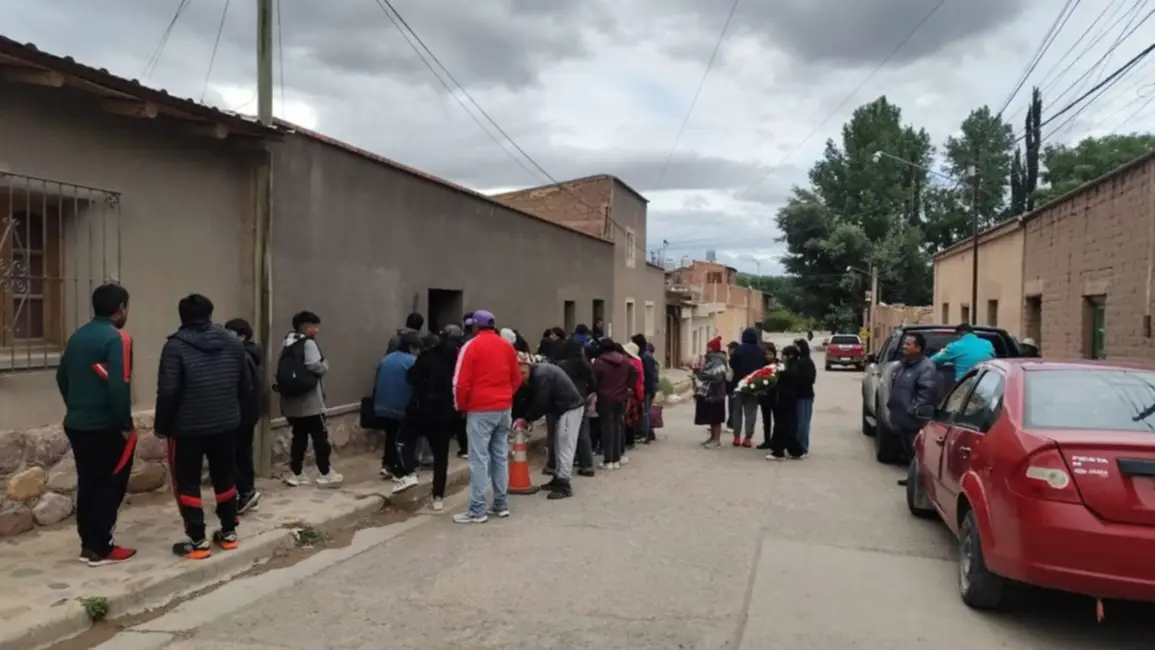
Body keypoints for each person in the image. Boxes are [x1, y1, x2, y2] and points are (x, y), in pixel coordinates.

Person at [155, 294, 250, 559]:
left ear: (182, 316)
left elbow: (168, 391)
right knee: (225, 476)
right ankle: (229, 532)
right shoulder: (233, 343)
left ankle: (198, 541)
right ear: (210, 313)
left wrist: (162, 426)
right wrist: (237, 416)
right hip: (226, 424)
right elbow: (245, 385)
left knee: (186, 481)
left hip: (187, 428)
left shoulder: (175, 347)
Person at [56, 283, 138, 566]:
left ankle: (88, 544)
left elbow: (61, 377)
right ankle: (102, 546)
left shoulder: (77, 337)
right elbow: (119, 385)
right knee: (109, 484)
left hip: (77, 423)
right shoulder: (118, 339)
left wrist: (76, 406)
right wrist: (125, 424)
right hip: (106, 426)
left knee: (88, 483)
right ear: (121, 308)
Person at [452, 310, 521, 524]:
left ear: (475, 327)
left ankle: (477, 509)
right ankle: (501, 504)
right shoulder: (506, 346)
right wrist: (506, 395)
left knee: (479, 459)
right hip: (503, 407)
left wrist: (462, 406)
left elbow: (460, 383)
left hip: (480, 408)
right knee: (500, 456)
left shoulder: (471, 346)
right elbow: (517, 378)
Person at [278, 311, 342, 486]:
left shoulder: (287, 343)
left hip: (291, 402)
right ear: (306, 327)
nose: (317, 330)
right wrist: (325, 364)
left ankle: (296, 473)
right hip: (310, 403)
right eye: (315, 327)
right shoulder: (308, 343)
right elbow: (315, 366)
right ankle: (325, 473)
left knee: (299, 437)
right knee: (320, 438)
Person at [513, 352, 585, 500]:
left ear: (529, 367)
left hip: (569, 407)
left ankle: (564, 484)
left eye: (523, 372)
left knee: (565, 445)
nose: (521, 376)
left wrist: (527, 419)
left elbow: (540, 401)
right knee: (558, 445)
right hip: (562, 408)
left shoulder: (542, 375)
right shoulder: (537, 374)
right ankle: (558, 478)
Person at [408, 325, 463, 511]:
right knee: (441, 457)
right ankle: (437, 495)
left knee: (407, 440)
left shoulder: (426, 356)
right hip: (445, 414)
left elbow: (411, 377)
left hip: (423, 410)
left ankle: (407, 473)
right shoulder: (457, 359)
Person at [373, 331, 422, 494]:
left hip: (381, 405)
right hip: (400, 406)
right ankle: (400, 471)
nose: (418, 352)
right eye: (417, 348)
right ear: (411, 347)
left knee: (390, 435)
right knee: (401, 440)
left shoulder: (386, 359)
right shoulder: (412, 362)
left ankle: (387, 465)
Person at [223, 318, 263, 515]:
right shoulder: (250, 353)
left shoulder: (241, 356)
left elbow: (242, 388)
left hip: (240, 414)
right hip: (249, 413)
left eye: (229, 332)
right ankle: (248, 492)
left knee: (232, 456)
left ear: (242, 336)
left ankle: (245, 492)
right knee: (243, 455)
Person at [889, 332, 937, 487]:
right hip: (901, 415)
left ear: (918, 348)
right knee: (908, 449)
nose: (904, 347)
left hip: (913, 418)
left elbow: (926, 393)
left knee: (916, 449)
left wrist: (913, 410)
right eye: (904, 343)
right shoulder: (903, 364)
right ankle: (912, 476)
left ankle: (920, 482)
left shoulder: (926, 367)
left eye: (908, 344)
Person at [556, 337, 597, 476]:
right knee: (583, 433)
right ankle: (587, 464)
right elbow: (593, 383)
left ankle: (562, 464)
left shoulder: (562, 366)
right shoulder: (586, 365)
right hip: (581, 398)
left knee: (564, 434)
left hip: (565, 400)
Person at [591, 338, 634, 469]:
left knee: (607, 429)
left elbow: (593, 381)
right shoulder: (624, 360)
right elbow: (635, 372)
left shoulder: (599, 362)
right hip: (620, 398)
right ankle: (617, 458)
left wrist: (596, 390)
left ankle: (608, 460)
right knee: (617, 427)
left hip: (605, 399)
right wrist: (628, 387)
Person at [728, 327, 767, 448]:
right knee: (751, 413)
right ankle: (748, 438)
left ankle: (736, 437)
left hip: (739, 385)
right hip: (754, 386)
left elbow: (732, 365)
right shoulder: (761, 352)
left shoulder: (738, 351)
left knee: (737, 412)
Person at [766, 345, 807, 460]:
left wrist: (778, 374)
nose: (782, 357)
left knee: (782, 426)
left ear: (790, 355)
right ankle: (796, 451)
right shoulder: (792, 365)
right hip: (788, 399)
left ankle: (778, 452)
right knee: (787, 426)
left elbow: (789, 379)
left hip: (786, 400)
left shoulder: (792, 368)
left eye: (784, 354)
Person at [694, 337, 730, 449]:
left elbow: (717, 376)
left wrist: (702, 375)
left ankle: (716, 440)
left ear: (713, 348)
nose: (707, 349)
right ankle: (712, 437)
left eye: (709, 347)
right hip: (710, 392)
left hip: (716, 392)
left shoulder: (718, 360)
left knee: (716, 417)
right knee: (711, 416)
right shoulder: (711, 359)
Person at [631, 334, 660, 444]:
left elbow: (648, 375)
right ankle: (648, 433)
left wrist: (646, 389)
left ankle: (645, 434)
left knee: (645, 411)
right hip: (648, 387)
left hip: (647, 388)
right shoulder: (645, 354)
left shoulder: (646, 356)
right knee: (644, 411)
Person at [793, 338, 817, 455]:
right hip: (802, 395)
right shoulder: (801, 361)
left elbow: (809, 379)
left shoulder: (805, 362)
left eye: (796, 347)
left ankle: (801, 446)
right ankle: (800, 445)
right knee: (801, 421)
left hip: (803, 395)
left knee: (802, 422)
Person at [623, 341, 646, 451]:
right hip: (636, 392)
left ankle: (629, 441)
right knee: (632, 418)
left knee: (628, 418)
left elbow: (637, 380)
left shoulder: (630, 363)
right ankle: (630, 440)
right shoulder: (638, 362)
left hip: (631, 393)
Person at [756, 344, 779, 450]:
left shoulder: (778, 365)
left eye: (770, 354)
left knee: (777, 420)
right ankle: (767, 440)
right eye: (766, 354)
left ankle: (776, 440)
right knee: (766, 420)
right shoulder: (762, 365)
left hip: (775, 396)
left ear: (774, 354)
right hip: (764, 396)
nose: (768, 356)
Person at [725, 341, 740, 432]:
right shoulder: (731, 358)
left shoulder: (735, 359)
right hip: (731, 385)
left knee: (733, 406)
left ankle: (732, 424)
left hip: (734, 385)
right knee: (732, 405)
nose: (729, 350)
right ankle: (731, 423)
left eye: (730, 349)